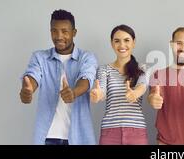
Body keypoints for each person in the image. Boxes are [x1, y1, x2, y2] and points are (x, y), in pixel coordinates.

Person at [19, 9, 97, 145]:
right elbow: (33, 76)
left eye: (64, 31)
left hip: (79, 137)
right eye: (54, 31)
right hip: (47, 137)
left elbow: (87, 78)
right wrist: (28, 89)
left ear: (74, 33)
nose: (59, 36)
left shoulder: (86, 58)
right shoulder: (40, 57)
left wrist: (74, 92)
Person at [90, 25, 149, 145]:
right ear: (112, 44)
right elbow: (102, 92)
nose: (122, 45)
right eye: (117, 41)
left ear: (134, 42)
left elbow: (142, 86)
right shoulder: (104, 69)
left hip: (136, 131)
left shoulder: (142, 68)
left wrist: (135, 93)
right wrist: (98, 94)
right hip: (110, 131)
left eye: (126, 40)